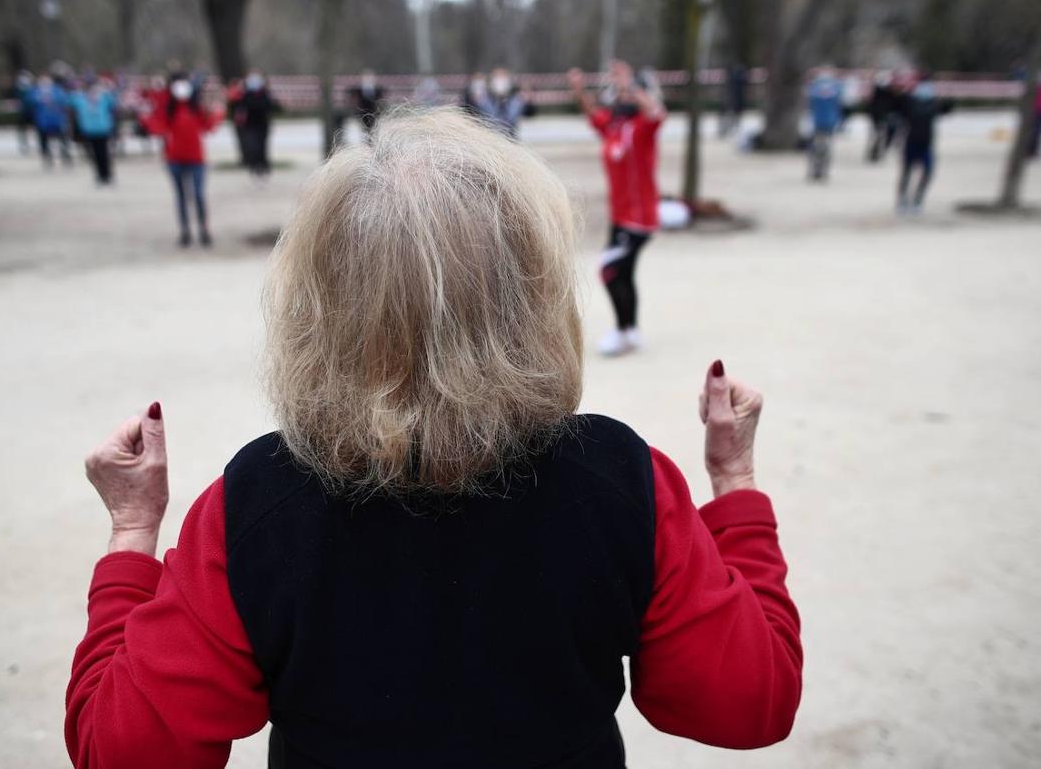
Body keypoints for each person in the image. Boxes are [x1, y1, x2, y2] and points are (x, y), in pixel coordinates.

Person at [65, 108, 802, 769]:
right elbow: (750, 704)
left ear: (318, 304)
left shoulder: (257, 502)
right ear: (532, 296)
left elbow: (123, 753)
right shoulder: (618, 477)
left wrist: (132, 532)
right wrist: (735, 483)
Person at [568, 61, 666, 357]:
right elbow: (593, 115)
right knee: (624, 274)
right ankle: (631, 330)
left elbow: (656, 113)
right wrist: (579, 90)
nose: (623, 96)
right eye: (620, 92)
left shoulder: (643, 126)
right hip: (619, 217)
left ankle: (623, 331)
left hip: (639, 219)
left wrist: (631, 85)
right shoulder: (615, 125)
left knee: (609, 271)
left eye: (628, 92)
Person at [149, 75, 224, 247]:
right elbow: (157, 127)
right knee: (181, 197)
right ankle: (185, 231)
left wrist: (217, 112)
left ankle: (203, 230)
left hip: (196, 159)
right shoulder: (168, 109)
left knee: (198, 195)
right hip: (175, 159)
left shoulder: (197, 108)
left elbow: (209, 126)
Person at [896, 75, 953, 215]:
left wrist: (946, 95)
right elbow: (898, 106)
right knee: (907, 172)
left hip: (925, 144)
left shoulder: (933, 103)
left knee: (927, 172)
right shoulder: (909, 101)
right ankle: (903, 200)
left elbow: (947, 108)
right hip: (911, 142)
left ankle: (917, 199)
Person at [228, 69, 279, 179]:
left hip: (263, 124)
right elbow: (237, 106)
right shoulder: (245, 94)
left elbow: (272, 107)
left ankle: (263, 165)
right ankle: (254, 166)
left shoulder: (265, 93)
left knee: (262, 146)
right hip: (250, 125)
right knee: (253, 146)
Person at [69, 77, 118, 185]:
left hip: (103, 130)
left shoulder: (103, 99)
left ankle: (107, 175)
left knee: (104, 154)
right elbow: (69, 101)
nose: (93, 93)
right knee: (94, 155)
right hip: (89, 131)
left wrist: (108, 90)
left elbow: (114, 101)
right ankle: (99, 176)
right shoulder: (81, 100)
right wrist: (76, 89)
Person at [470, 67, 535, 138]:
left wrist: (528, 101)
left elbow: (530, 113)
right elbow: (471, 111)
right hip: (489, 135)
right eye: (498, 76)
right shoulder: (484, 98)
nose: (500, 80)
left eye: (503, 76)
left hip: (510, 135)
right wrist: (473, 99)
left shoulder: (516, 98)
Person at [806, 66, 843, 182]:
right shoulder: (818, 91)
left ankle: (821, 169)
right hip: (820, 123)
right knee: (819, 148)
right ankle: (817, 169)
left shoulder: (817, 90)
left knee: (823, 148)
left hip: (826, 123)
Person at [32, 74, 72, 169]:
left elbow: (64, 100)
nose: (45, 82)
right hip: (43, 120)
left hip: (57, 119)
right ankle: (47, 157)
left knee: (63, 139)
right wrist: (40, 99)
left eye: (47, 80)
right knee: (43, 140)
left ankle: (65, 155)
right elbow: (30, 102)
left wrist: (52, 100)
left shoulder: (57, 90)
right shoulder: (35, 91)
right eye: (43, 81)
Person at [347, 69, 385, 136]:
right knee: (364, 128)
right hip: (363, 111)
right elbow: (350, 93)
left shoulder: (377, 88)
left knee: (373, 127)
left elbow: (381, 98)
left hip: (373, 111)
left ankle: (371, 136)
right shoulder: (359, 88)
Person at [719, 63, 748, 138]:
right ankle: (728, 129)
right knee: (733, 116)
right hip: (735, 100)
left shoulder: (732, 78)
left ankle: (728, 129)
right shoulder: (738, 78)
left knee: (732, 116)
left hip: (733, 100)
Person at [11, 70, 37, 155]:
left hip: (32, 111)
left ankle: (35, 144)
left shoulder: (32, 88)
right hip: (23, 111)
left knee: (35, 128)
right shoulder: (19, 89)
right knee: (22, 129)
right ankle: (24, 144)